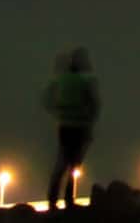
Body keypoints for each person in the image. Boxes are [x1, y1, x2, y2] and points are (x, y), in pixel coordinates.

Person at [41, 47, 100, 210]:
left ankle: (52, 199)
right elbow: (94, 105)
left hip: (64, 127)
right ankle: (69, 199)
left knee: (61, 163)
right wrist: (88, 123)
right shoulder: (84, 82)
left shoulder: (60, 81)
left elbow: (47, 99)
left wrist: (58, 112)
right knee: (74, 165)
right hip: (79, 127)